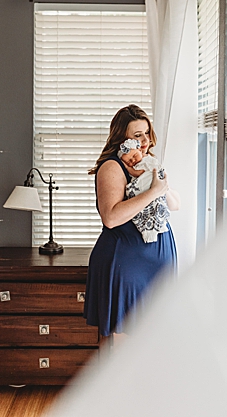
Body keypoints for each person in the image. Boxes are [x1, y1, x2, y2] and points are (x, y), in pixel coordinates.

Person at [85, 105, 178, 335]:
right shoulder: (112, 167)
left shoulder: (149, 164)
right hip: (128, 263)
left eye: (147, 133)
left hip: (158, 261)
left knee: (156, 342)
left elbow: (175, 204)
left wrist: (156, 182)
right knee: (128, 346)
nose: (145, 140)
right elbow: (111, 217)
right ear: (122, 139)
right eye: (137, 135)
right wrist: (152, 191)